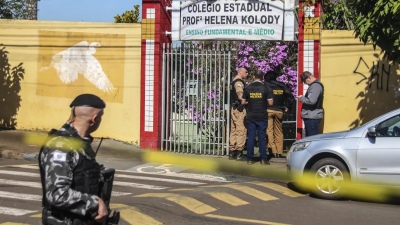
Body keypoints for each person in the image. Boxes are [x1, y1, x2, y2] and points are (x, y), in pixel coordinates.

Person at [38, 93, 110, 225]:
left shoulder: (79, 143)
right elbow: (57, 194)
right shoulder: (61, 146)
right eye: (101, 117)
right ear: (94, 119)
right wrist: (95, 203)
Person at [241, 70, 273, 165]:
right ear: (262, 78)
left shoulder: (248, 88)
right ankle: (263, 159)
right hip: (262, 115)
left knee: (251, 137)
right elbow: (270, 103)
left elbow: (243, 102)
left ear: (254, 77)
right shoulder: (266, 88)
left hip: (251, 115)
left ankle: (250, 159)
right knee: (262, 137)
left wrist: (250, 101)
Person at [264, 71, 295, 158]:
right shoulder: (282, 85)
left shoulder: (265, 85)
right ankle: (279, 152)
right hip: (279, 110)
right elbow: (290, 97)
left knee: (269, 131)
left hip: (268, 110)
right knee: (279, 131)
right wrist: (287, 106)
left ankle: (272, 150)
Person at [228, 67, 248, 161]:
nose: (247, 74)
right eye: (246, 72)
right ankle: (239, 152)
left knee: (233, 130)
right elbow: (240, 96)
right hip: (239, 109)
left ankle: (232, 151)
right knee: (241, 130)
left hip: (234, 108)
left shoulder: (232, 81)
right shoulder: (238, 82)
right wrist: (248, 101)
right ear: (240, 72)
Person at [297, 71, 324, 137]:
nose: (306, 83)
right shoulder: (316, 85)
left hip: (312, 117)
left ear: (308, 78)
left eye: (305, 81)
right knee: (311, 138)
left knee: (312, 139)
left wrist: (302, 98)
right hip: (312, 116)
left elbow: (312, 101)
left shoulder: (315, 86)